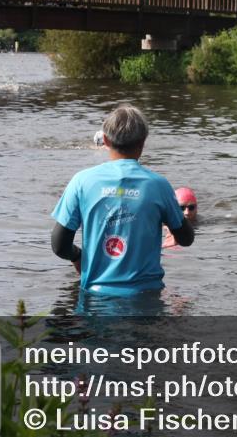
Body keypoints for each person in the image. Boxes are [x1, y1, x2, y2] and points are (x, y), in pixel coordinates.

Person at [51, 105, 194, 296]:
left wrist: (78, 256)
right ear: (143, 142)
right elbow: (186, 239)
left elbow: (59, 245)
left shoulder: (81, 181)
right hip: (146, 298)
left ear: (106, 141)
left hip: (95, 297)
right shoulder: (159, 186)